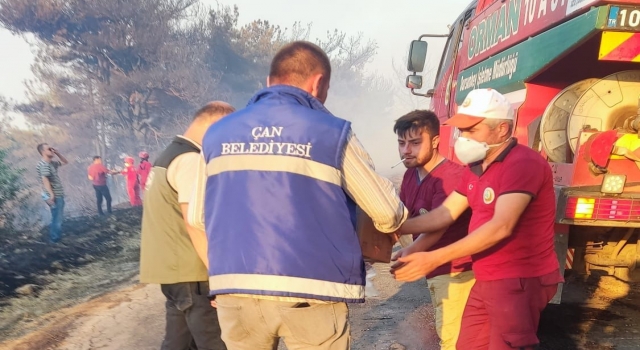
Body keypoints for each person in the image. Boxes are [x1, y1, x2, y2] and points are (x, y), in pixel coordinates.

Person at [189, 41, 408, 350]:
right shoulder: (332, 132)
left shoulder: (217, 134)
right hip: (313, 290)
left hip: (235, 290)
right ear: (318, 83)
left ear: (269, 82)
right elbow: (386, 212)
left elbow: (198, 217)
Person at [392, 88, 563, 350]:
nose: (463, 137)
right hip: (486, 278)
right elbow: (443, 215)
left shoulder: (522, 164)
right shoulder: (477, 168)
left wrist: (434, 258)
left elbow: (501, 226)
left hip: (519, 279)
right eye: (462, 130)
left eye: (472, 130)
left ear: (502, 130)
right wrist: (395, 228)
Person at [139, 101, 235, 350]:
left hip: (172, 272)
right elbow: (197, 222)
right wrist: (218, 276)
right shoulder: (191, 161)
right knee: (215, 342)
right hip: (193, 274)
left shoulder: (168, 155)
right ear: (216, 125)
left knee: (178, 342)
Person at [391, 110, 474, 350]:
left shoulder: (451, 176)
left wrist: (409, 253)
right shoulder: (409, 176)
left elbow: (438, 225)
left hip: (457, 271)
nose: (406, 150)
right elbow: (403, 216)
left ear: (435, 141)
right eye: (401, 143)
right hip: (434, 269)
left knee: (453, 340)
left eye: (415, 143)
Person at [36, 143, 68, 243]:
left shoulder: (51, 163)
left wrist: (58, 153)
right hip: (54, 195)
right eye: (49, 149)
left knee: (57, 216)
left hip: (57, 194)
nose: (51, 150)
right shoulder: (44, 164)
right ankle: (54, 239)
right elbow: (45, 179)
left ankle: (55, 237)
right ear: (43, 152)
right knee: (57, 217)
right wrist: (51, 194)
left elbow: (65, 162)